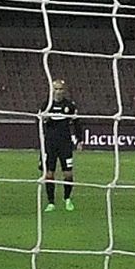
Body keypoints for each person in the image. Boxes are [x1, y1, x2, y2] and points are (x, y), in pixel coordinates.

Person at [39, 78, 83, 212]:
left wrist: (79, 140)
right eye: (56, 89)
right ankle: (51, 202)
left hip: (65, 144)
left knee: (68, 173)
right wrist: (44, 120)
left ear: (64, 91)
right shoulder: (46, 105)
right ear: (52, 90)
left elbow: (76, 124)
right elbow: (40, 123)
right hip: (50, 144)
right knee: (49, 173)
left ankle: (67, 198)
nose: (58, 92)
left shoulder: (70, 106)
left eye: (60, 89)